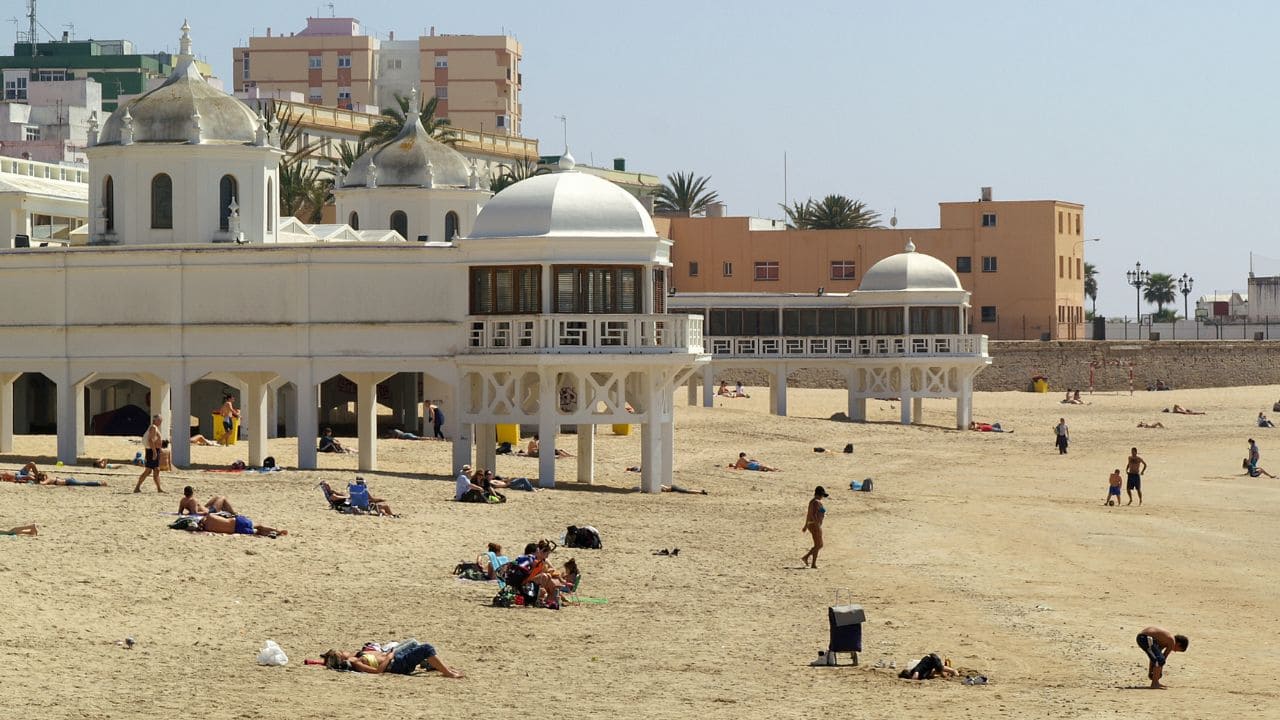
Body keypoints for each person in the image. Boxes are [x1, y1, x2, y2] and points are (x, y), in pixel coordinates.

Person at [321, 640, 463, 677]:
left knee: (415, 644)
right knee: (426, 648)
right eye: (341, 653)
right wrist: (389, 657)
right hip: (397, 665)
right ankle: (447, 673)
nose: (344, 652)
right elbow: (378, 672)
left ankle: (442, 668)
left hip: (395, 658)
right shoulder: (357, 663)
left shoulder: (357, 658)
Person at [134, 414, 165, 493]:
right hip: (152, 451)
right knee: (148, 470)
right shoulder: (153, 427)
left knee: (156, 470)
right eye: (159, 420)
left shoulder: (154, 427)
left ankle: (159, 488)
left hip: (152, 451)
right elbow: (150, 440)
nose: (160, 422)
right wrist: (154, 452)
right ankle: (137, 487)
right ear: (155, 420)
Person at [197, 512, 287, 538]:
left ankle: (269, 534)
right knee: (259, 525)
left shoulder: (208, 528)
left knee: (257, 532)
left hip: (237, 530)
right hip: (237, 522)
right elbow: (223, 514)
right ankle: (277, 531)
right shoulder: (210, 516)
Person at [801, 485, 828, 568]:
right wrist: (817, 524)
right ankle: (806, 557)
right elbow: (812, 515)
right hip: (815, 525)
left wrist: (806, 525)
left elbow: (809, 514)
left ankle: (813, 564)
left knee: (817, 544)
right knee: (820, 545)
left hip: (812, 524)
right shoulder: (816, 502)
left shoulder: (812, 501)